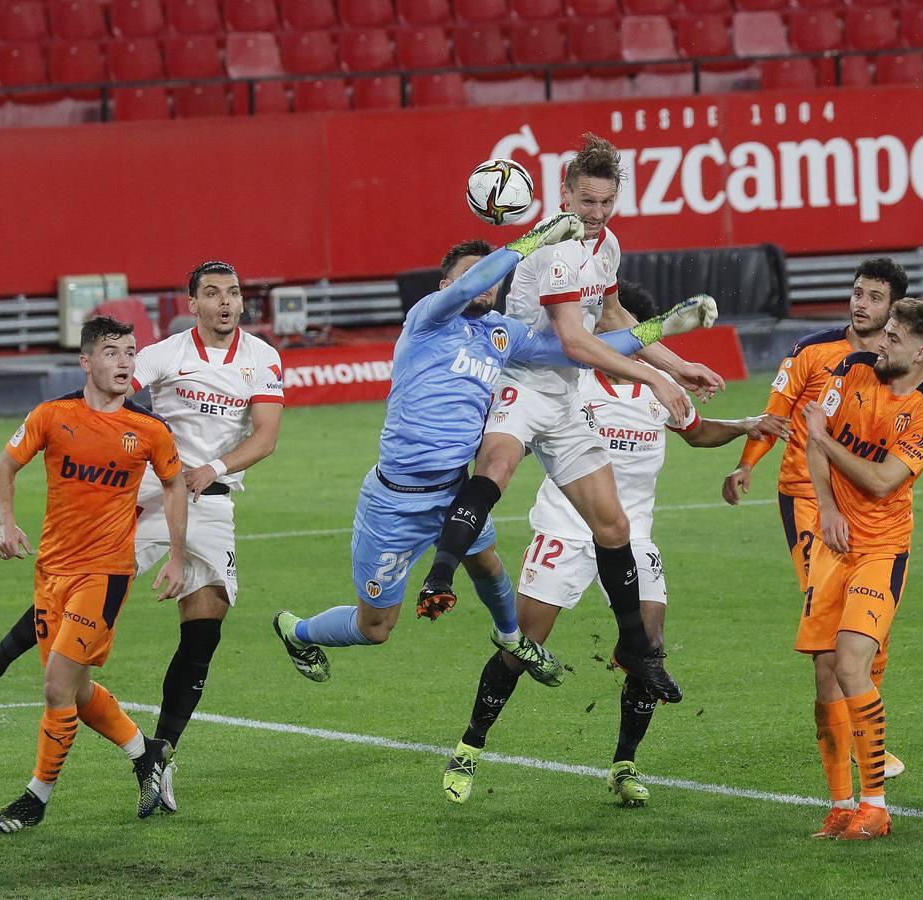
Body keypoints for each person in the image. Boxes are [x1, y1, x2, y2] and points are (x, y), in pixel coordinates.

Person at [272, 216, 718, 688]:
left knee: (488, 564)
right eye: (470, 276)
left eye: (490, 278)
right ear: (447, 285)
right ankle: (297, 632)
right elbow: (478, 280)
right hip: (395, 501)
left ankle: (512, 637)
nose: (483, 284)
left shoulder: (502, 334)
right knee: (375, 628)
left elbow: (575, 350)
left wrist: (659, 330)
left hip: (453, 492)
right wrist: (531, 241)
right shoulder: (426, 318)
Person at [440, 281, 789, 807]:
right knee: (521, 646)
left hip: (633, 537)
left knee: (649, 649)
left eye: (612, 330)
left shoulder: (660, 388)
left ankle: (624, 764)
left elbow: (696, 433)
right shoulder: (570, 384)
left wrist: (743, 426)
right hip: (565, 531)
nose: (601, 335)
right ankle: (470, 744)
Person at [0, 260, 285, 814]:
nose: (226, 303)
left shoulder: (263, 359)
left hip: (212, 505)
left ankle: (161, 760)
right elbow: (108, 389)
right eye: (213, 294)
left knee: (202, 638)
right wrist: (62, 418)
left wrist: (216, 468)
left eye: (233, 293)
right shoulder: (165, 355)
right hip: (153, 497)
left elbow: (267, 437)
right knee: (77, 581)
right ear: (193, 304)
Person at [414, 134, 725, 705]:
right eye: (587, 202)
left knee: (614, 527)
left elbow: (611, 315)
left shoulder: (606, 245)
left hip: (563, 398)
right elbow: (577, 340)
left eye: (606, 203)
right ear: (564, 194)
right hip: (522, 383)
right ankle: (440, 574)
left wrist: (677, 365)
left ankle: (637, 651)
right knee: (497, 470)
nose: (596, 214)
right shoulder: (557, 247)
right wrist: (655, 378)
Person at [723, 258, 923, 779]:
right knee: (831, 637)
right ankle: (852, 751)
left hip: (870, 511)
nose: (862, 303)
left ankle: (861, 735)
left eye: (875, 297)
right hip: (808, 498)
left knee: (863, 636)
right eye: (858, 292)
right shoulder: (817, 352)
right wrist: (747, 465)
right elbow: (778, 411)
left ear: (894, 309)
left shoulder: (901, 367)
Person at [0, 315, 188, 833]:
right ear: (87, 361)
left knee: (56, 687)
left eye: (131, 353)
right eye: (113, 352)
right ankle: (148, 755)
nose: (125, 363)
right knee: (74, 691)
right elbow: (4, 466)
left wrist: (178, 556)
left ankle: (35, 800)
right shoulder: (52, 415)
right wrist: (6, 522)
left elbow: (174, 485)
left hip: (106, 575)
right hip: (52, 572)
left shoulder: (148, 429)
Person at [799, 298, 923, 841]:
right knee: (824, 674)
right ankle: (840, 805)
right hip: (832, 543)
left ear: (919, 353)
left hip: (881, 550)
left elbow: (885, 480)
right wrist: (825, 507)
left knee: (850, 665)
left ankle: (876, 806)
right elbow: (816, 441)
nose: (878, 342)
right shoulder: (852, 368)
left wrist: (821, 438)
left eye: (891, 337)